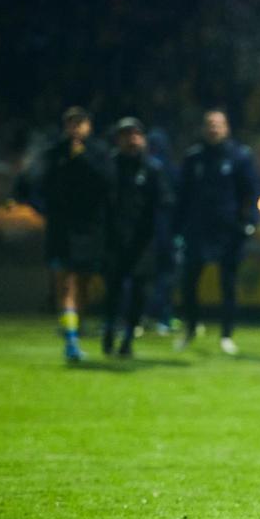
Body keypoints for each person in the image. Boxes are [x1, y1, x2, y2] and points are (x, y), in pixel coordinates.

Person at [12, 106, 112, 362]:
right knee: (65, 282)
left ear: (89, 126)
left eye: (80, 123)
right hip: (62, 228)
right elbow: (30, 182)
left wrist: (83, 158)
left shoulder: (99, 153)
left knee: (84, 284)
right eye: (71, 123)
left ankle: (76, 327)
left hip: (90, 229)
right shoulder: (53, 154)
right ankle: (70, 339)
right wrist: (41, 208)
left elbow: (108, 183)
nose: (75, 128)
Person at [174, 109, 260, 355]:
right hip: (198, 230)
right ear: (204, 128)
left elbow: (251, 191)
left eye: (218, 124)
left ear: (227, 128)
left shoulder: (239, 157)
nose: (214, 129)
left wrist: (249, 221)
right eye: (210, 124)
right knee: (190, 282)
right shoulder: (194, 158)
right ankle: (190, 328)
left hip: (229, 230)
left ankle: (226, 334)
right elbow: (182, 196)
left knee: (229, 284)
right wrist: (177, 229)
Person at [102, 118, 173, 358]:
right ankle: (110, 330)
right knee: (112, 289)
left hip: (142, 242)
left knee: (139, 291)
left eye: (135, 135)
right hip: (113, 239)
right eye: (126, 135)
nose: (131, 140)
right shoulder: (109, 166)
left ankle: (129, 338)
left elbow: (165, 199)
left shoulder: (152, 168)